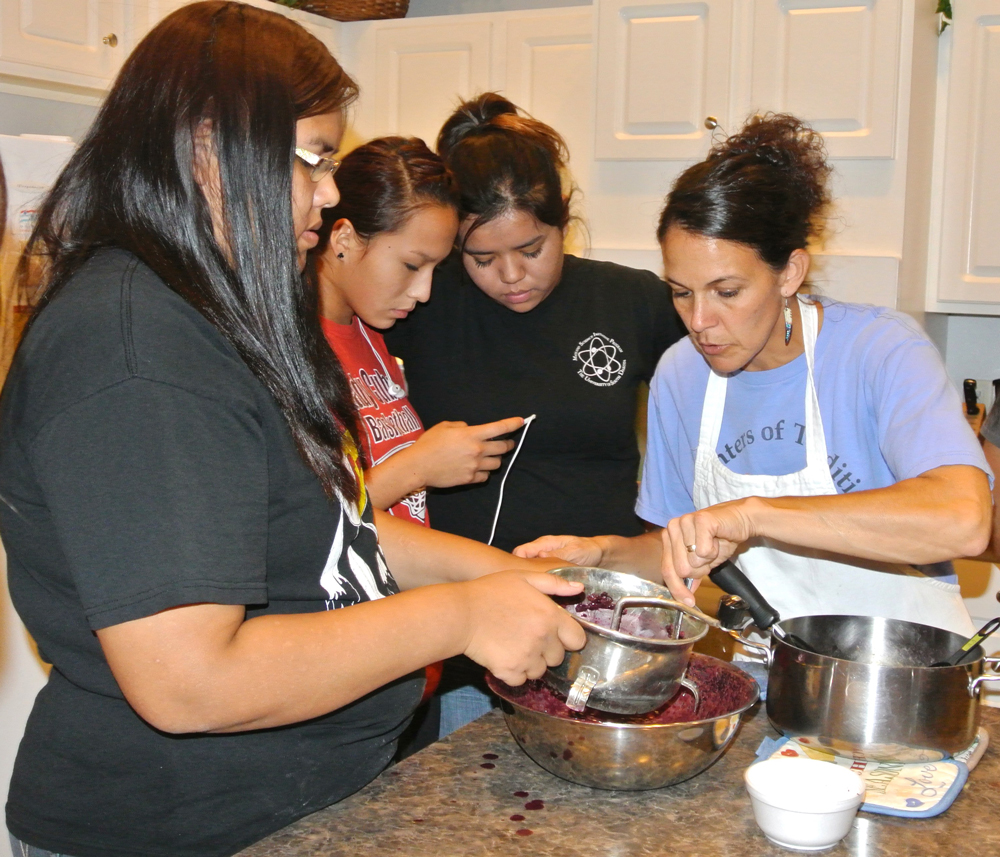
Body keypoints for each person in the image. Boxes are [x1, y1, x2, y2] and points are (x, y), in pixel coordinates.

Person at [0, 5, 585, 857]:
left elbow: (321, 535)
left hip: (295, 813)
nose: (330, 190)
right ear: (207, 146)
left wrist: (502, 577)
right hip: (175, 832)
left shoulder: (211, 316)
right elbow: (188, 679)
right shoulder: (135, 348)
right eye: (314, 156)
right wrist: (458, 617)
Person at [517, 113, 991, 638]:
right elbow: (678, 553)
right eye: (680, 291)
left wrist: (754, 516)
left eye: (727, 292)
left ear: (789, 272)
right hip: (769, 675)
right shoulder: (681, 375)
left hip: (899, 678)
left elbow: (963, 520)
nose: (699, 322)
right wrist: (604, 556)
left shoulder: (877, 352)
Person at [385, 92, 684, 734]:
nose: (512, 275)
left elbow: (733, 363)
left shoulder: (629, 302)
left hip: (606, 627)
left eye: (531, 248)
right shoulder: (422, 304)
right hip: (468, 637)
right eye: (482, 259)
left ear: (563, 222)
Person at [313, 135, 525, 747]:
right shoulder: (293, 349)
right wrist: (416, 467)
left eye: (437, 268)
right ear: (344, 238)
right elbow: (309, 528)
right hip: (342, 677)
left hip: (409, 668)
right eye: (412, 265)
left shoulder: (372, 330)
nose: (426, 291)